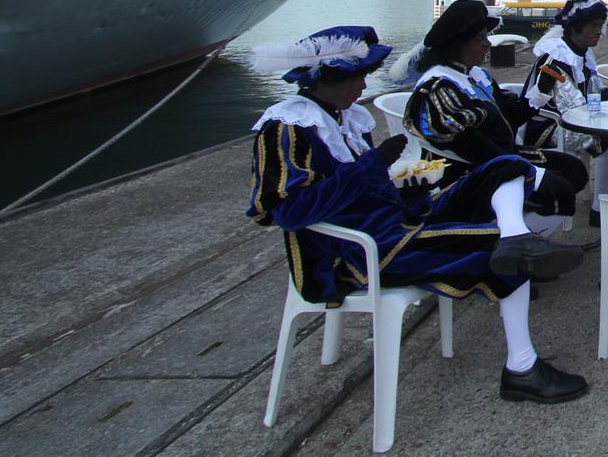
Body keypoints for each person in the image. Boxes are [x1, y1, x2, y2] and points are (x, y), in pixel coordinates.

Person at [247, 26, 588, 403]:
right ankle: (522, 369)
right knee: (502, 252)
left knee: (504, 167)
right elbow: (289, 211)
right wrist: (372, 165)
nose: (364, 84)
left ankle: (516, 238)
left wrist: (407, 184)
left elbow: (364, 189)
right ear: (326, 79)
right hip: (353, 254)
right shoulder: (287, 128)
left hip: (396, 220)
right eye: (357, 77)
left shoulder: (344, 117)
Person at [401, 0, 589, 232]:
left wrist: (540, 90)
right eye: (480, 38)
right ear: (457, 43)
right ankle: (510, 239)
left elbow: (510, 119)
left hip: (502, 159)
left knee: (574, 170)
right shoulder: (439, 86)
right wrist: (532, 173)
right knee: (560, 186)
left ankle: (520, 235)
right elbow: (472, 147)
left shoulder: (476, 76)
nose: (488, 44)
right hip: (470, 173)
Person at [520, 0, 608, 229]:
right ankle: (600, 210)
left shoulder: (581, 52)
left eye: (600, 26)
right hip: (549, 126)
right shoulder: (556, 58)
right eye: (593, 26)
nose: (599, 32)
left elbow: (591, 92)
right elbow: (570, 104)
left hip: (576, 115)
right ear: (574, 27)